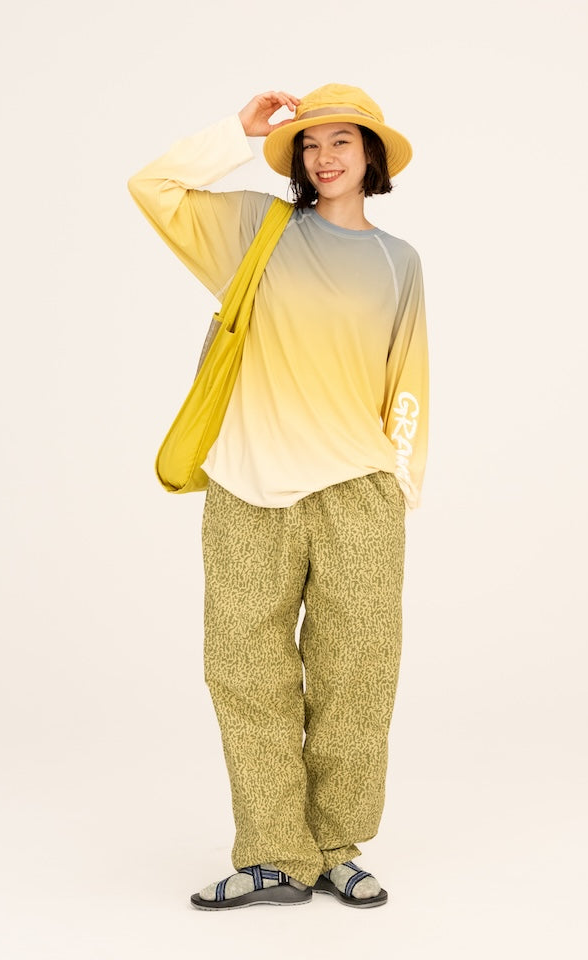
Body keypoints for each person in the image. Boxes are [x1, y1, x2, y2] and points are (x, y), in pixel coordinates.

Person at [127, 83, 428, 911]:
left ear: (371, 156)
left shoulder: (399, 262)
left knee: (357, 675)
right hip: (246, 487)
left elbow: (407, 383)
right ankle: (273, 854)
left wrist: (401, 484)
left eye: (342, 142)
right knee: (242, 671)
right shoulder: (257, 231)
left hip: (357, 492)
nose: (324, 157)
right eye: (310, 144)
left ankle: (335, 847)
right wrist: (238, 129)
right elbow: (153, 187)